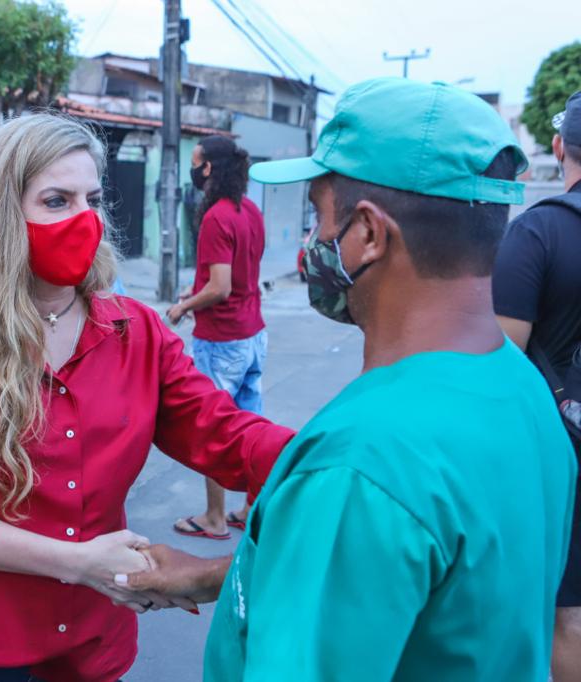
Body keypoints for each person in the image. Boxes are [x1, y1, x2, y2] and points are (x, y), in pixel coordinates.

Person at [120, 78, 576, 682]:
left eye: (318, 213)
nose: (314, 240)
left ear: (367, 234)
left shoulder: (357, 466)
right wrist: (214, 574)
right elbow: (419, 586)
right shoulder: (525, 390)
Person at [0, 113, 295, 681]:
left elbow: (225, 432)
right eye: (56, 201)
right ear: (1, 215)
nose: (84, 218)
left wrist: (330, 461)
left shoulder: (135, 331)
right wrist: (78, 562)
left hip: (89, 643)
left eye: (92, 200)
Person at [493, 89, 581, 682]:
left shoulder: (537, 233)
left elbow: (503, 366)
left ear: (558, 146)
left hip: (564, 454)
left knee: (568, 615)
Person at [167, 135, 264, 540]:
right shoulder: (250, 210)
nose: (193, 170)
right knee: (251, 426)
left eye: (195, 163)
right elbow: (237, 276)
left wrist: (182, 308)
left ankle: (214, 518)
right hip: (253, 334)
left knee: (214, 428)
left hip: (222, 340)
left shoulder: (216, 217)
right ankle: (250, 510)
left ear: (207, 168)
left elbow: (221, 287)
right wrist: (195, 292)